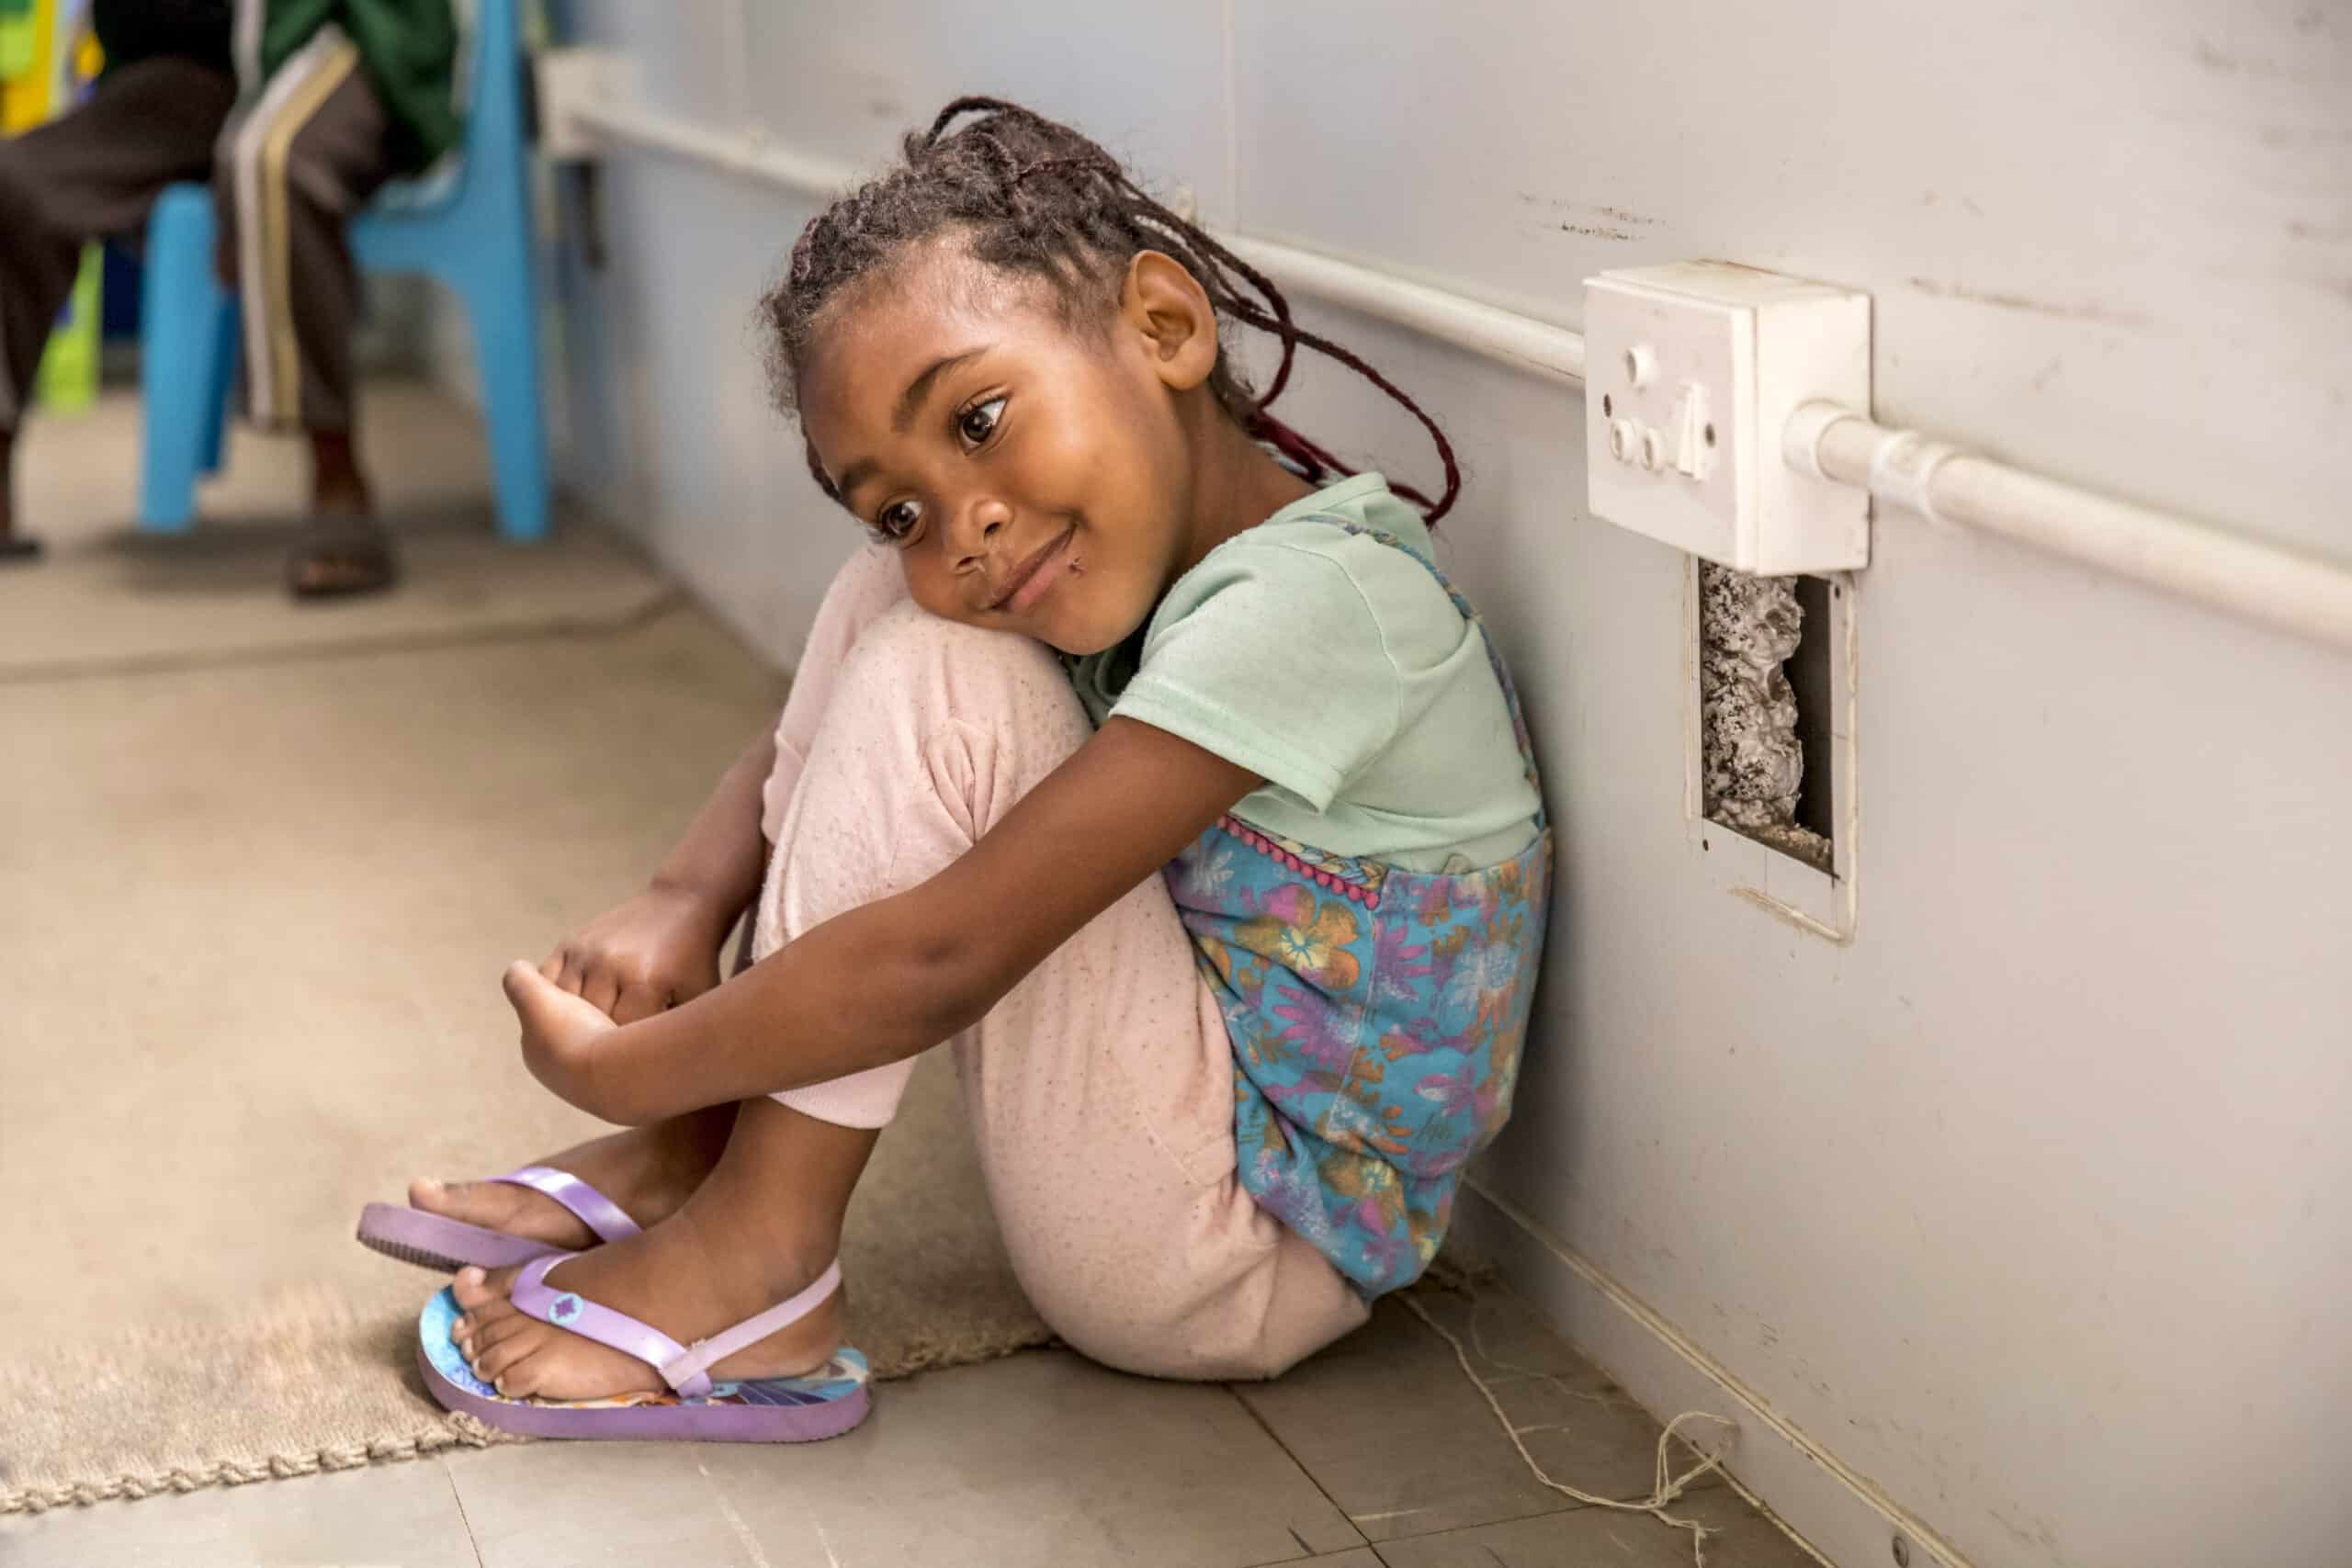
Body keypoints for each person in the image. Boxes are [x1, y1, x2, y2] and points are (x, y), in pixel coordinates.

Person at [373, 98, 1553, 1438]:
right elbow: (897, 654)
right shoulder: (1161, 559)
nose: (965, 524)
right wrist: (685, 896)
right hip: (1184, 1135)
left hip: (1238, 1254)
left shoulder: (1320, 605)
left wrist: (633, 1068)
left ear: (1164, 327)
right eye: (902, 499)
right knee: (907, 603)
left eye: (981, 419)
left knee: (948, 668)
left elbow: (939, 958)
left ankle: (757, 1247)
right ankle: (698, 1156)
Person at [0, 0, 463, 593]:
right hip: (200, 71)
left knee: (270, 160)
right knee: (15, 183)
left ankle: (338, 477)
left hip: (341, 37)